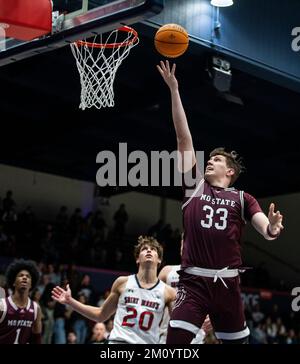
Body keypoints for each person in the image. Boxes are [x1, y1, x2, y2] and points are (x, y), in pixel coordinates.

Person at [157, 60, 284, 344]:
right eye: (210, 158)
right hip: (193, 284)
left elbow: (265, 229)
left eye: (216, 160)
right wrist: (174, 89)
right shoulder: (194, 186)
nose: (209, 161)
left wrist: (273, 229)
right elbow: (183, 138)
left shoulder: (243, 198)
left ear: (230, 172)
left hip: (228, 286)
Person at [52, 236, 176, 344]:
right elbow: (101, 315)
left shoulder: (168, 292)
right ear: (137, 259)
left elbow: (178, 324)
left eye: (153, 249)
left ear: (159, 259)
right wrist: (70, 301)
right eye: (144, 249)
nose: (149, 250)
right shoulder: (123, 282)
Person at [158, 237, 213, 344]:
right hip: (165, 335)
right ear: (181, 247)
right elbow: (153, 297)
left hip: (194, 335)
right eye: (184, 243)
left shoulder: (208, 275)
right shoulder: (167, 271)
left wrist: (213, 316)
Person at [0, 259, 42, 344]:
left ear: (31, 284)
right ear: (14, 283)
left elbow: (37, 339)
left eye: (28, 276)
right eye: (21, 275)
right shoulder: (2, 306)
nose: (24, 277)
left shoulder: (36, 308)